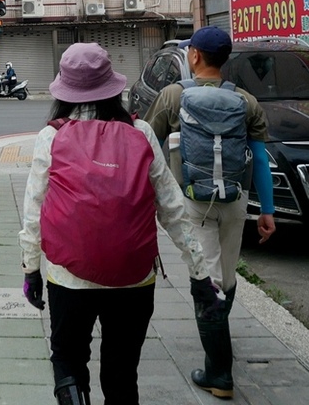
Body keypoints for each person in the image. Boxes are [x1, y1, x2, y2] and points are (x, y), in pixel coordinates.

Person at [19, 43, 218, 405]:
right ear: (113, 86)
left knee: (67, 360)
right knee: (122, 373)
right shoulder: (140, 132)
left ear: (65, 91)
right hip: (134, 278)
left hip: (69, 278)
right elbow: (172, 207)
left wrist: (31, 269)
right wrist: (199, 275)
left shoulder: (52, 136)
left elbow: (34, 209)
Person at [143, 26, 276, 399]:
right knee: (226, 278)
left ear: (195, 55)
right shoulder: (246, 101)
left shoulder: (173, 96)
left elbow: (146, 148)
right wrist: (267, 210)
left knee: (207, 280)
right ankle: (218, 342)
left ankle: (219, 373)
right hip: (236, 201)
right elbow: (260, 160)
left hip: (194, 202)